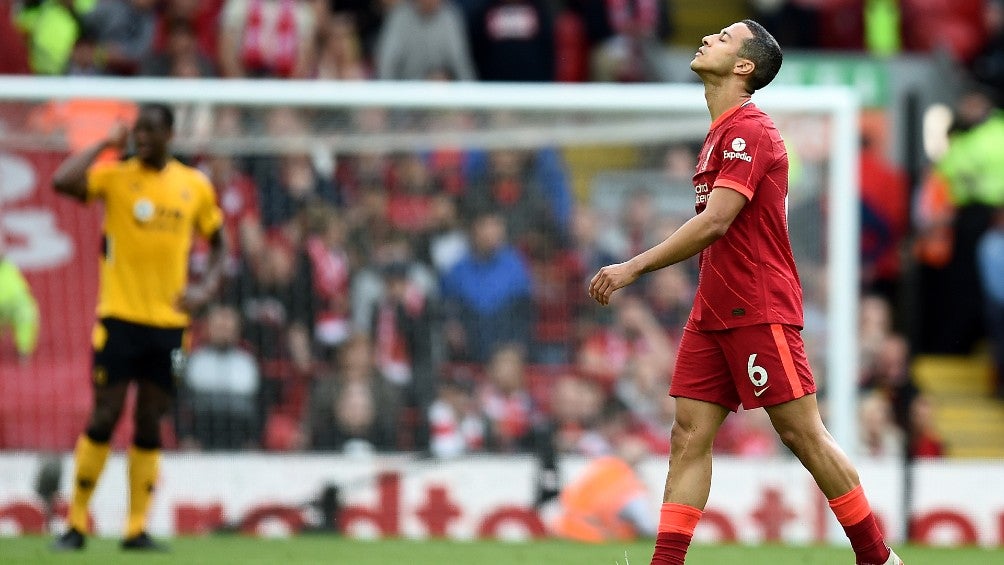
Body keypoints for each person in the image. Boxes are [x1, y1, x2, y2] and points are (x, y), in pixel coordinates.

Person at [587, 20, 903, 565]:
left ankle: (878, 558)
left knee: (803, 435)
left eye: (725, 38)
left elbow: (716, 222)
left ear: (743, 67)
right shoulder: (718, 133)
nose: (708, 38)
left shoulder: (749, 132)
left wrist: (633, 267)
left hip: (758, 306)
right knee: (688, 435)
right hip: (712, 308)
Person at [49, 104, 227, 551]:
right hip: (119, 321)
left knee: (151, 419)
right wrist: (105, 146)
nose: (141, 138)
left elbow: (220, 243)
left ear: (170, 133)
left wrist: (205, 289)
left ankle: (135, 528)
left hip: (172, 329)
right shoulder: (116, 175)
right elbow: (62, 181)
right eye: (137, 132)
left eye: (149, 132)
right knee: (105, 414)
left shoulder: (195, 186)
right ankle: (75, 523)